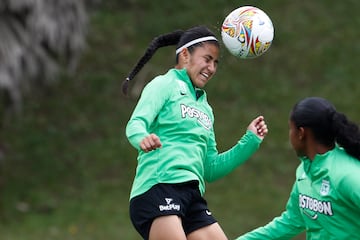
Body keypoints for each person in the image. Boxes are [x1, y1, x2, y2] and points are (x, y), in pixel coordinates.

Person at [123, 25, 268, 240]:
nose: (211, 68)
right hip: (158, 187)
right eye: (207, 59)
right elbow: (135, 124)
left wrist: (250, 141)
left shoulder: (205, 108)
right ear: (184, 55)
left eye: (215, 62)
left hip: (191, 195)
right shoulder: (164, 84)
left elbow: (210, 168)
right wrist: (143, 138)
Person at [236, 97, 360, 240]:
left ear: (301, 133)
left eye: (291, 129)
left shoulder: (348, 175)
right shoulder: (305, 172)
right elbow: (290, 221)